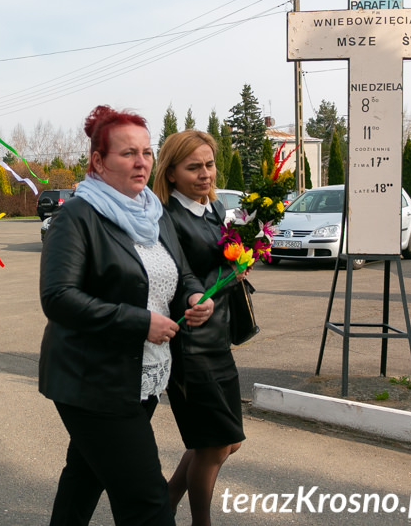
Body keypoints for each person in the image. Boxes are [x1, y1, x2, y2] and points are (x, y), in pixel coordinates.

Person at [39, 105, 213, 526]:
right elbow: (59, 297)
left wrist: (193, 297)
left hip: (143, 374)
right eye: (128, 153)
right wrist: (139, 322)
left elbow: (181, 272)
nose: (141, 162)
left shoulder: (153, 212)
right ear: (98, 162)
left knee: (84, 477)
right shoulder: (78, 216)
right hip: (93, 380)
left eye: (147, 152)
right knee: (147, 502)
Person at [154, 130, 246, 526]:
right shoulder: (166, 218)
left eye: (209, 165)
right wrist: (224, 270)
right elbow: (182, 274)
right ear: (171, 173)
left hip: (218, 337)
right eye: (194, 167)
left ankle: (165, 502)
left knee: (229, 442)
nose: (205, 174)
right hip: (190, 344)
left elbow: (221, 258)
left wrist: (244, 254)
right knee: (213, 445)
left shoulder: (211, 208)